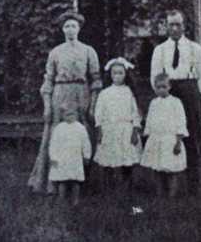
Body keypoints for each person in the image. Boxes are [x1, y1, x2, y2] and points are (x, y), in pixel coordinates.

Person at [28, 10, 102, 194]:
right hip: (60, 95)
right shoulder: (55, 52)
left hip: (81, 94)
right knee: (57, 136)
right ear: (62, 29)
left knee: (83, 135)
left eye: (74, 26)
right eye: (67, 26)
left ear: (79, 29)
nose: (70, 30)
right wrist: (46, 106)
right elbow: (48, 80)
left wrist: (92, 104)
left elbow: (96, 80)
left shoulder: (88, 51)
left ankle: (84, 184)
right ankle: (52, 184)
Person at [150, 9, 201, 195]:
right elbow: (155, 77)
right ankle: (166, 188)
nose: (174, 28)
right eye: (171, 24)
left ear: (184, 26)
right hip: (168, 91)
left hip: (189, 91)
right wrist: (163, 96)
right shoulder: (160, 50)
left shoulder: (194, 48)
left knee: (191, 138)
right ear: (166, 26)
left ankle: (194, 188)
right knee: (166, 137)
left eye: (178, 24)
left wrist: (194, 93)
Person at [93, 57, 143, 191]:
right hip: (109, 129)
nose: (117, 76)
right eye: (114, 73)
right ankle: (109, 187)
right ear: (110, 75)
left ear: (126, 74)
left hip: (125, 129)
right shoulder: (104, 93)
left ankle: (128, 187)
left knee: (127, 159)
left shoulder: (129, 92)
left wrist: (135, 129)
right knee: (109, 158)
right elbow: (99, 113)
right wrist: (99, 129)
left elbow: (135, 112)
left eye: (120, 73)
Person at [140, 73, 188, 198]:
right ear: (154, 88)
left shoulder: (176, 103)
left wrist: (178, 141)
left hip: (170, 140)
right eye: (158, 87)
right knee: (157, 167)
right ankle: (159, 193)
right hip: (156, 139)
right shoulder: (154, 103)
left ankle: (171, 195)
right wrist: (148, 136)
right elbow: (149, 120)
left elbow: (181, 121)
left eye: (164, 87)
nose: (161, 90)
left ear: (169, 87)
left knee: (171, 169)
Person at [48, 105, 92, 206]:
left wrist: (86, 156)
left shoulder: (80, 128)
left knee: (75, 181)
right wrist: (53, 157)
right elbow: (53, 144)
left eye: (72, 114)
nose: (70, 117)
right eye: (67, 115)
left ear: (76, 115)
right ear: (63, 116)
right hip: (62, 158)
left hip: (75, 158)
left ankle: (75, 200)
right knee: (62, 180)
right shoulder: (59, 128)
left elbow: (86, 143)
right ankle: (61, 199)